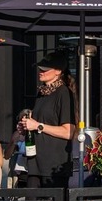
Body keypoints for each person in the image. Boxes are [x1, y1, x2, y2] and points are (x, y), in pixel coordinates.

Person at [18, 51, 76, 188]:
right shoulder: (42, 93)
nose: (41, 71)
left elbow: (68, 132)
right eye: (40, 68)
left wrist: (38, 126)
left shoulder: (64, 93)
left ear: (57, 71)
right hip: (35, 164)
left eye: (45, 69)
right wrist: (26, 128)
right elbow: (37, 125)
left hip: (53, 167)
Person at [4, 108, 32, 188]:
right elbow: (6, 155)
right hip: (19, 173)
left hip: (31, 171)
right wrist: (14, 142)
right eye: (20, 122)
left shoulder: (33, 135)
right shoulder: (16, 134)